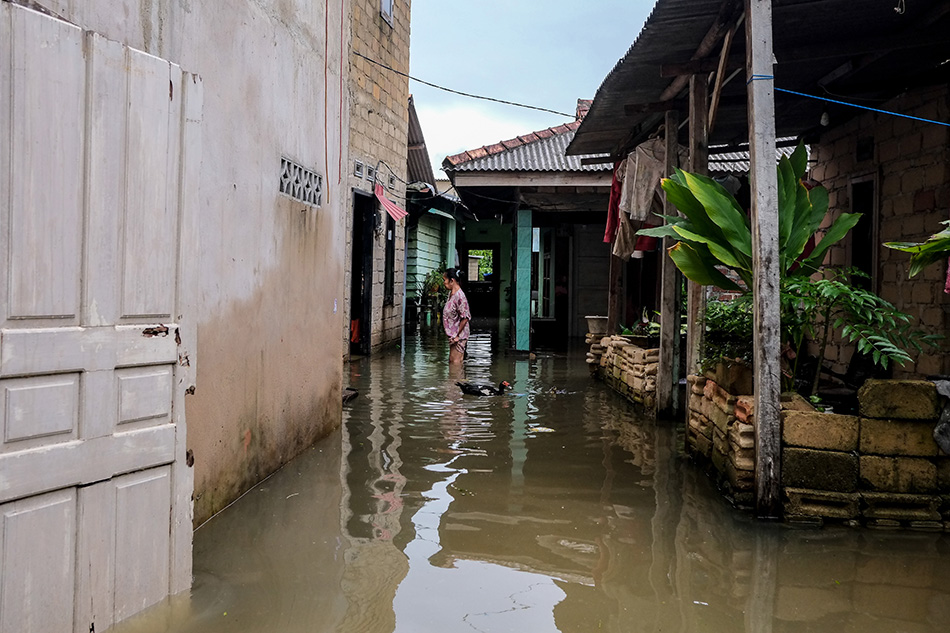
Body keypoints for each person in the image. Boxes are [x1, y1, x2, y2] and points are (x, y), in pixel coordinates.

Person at [442, 267, 471, 364]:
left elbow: (465, 318)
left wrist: (456, 335)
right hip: (453, 336)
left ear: (452, 281)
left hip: (458, 336)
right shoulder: (451, 294)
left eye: (444, 280)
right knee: (452, 362)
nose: (443, 282)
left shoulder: (460, 296)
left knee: (455, 364)